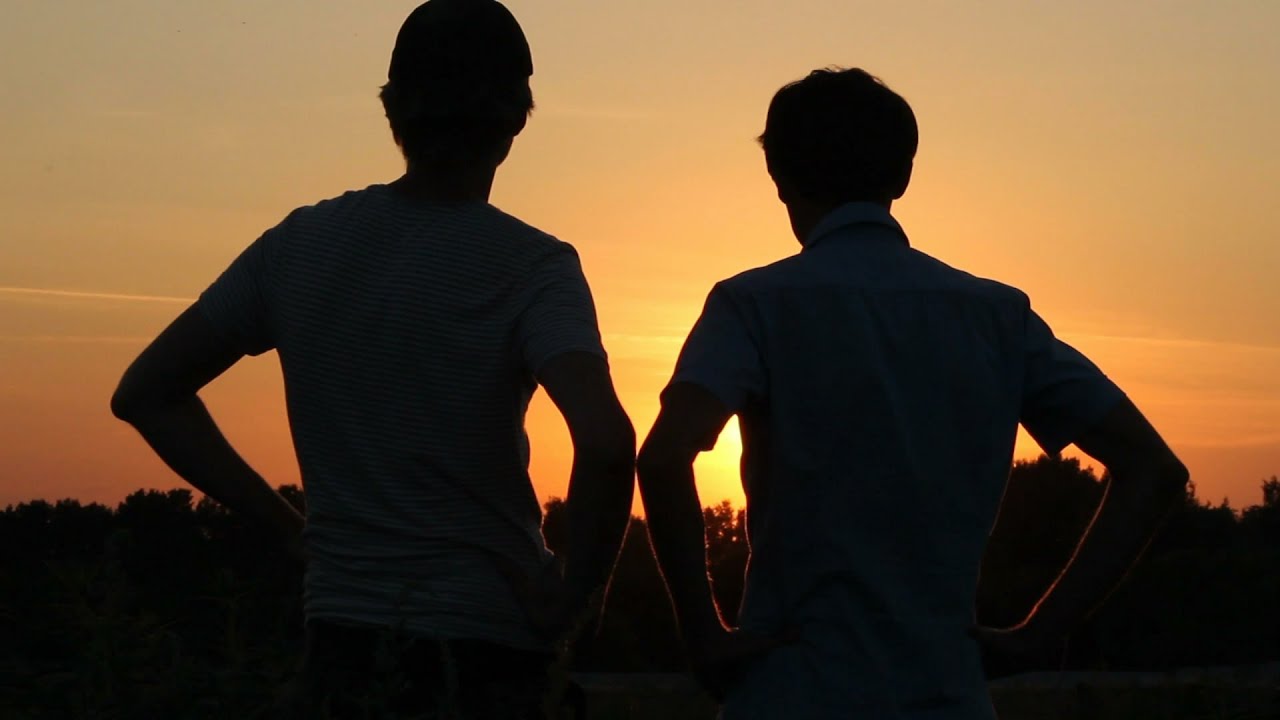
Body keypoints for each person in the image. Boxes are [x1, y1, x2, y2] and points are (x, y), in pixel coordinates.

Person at [110, 1, 636, 716]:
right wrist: (575, 597)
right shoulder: (534, 267)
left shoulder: (298, 246)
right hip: (484, 647)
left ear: (392, 107)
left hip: (340, 643)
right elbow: (606, 444)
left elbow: (147, 393)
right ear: (517, 118)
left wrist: (288, 529)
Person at [636, 67, 1189, 719]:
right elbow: (1152, 471)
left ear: (779, 177)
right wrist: (1043, 629)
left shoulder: (753, 306)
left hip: (792, 690)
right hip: (946, 693)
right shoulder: (997, 318)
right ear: (903, 176)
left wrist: (704, 634)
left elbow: (664, 457)